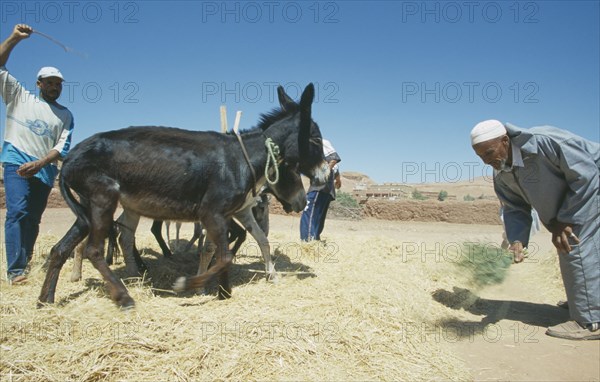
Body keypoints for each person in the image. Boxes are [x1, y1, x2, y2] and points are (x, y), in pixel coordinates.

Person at [470, 119, 599, 340]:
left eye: (489, 153)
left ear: (505, 140)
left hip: (590, 188)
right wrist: (517, 240)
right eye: (481, 157)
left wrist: (566, 220)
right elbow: (514, 208)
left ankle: (589, 321)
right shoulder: (502, 173)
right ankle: (586, 299)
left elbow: (586, 176)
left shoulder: (545, 143)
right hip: (578, 196)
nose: (486, 161)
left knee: (572, 242)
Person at [1, 24, 74, 285]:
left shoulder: (65, 115)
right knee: (17, 212)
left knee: (32, 219)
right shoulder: (19, 97)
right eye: (50, 82)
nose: (54, 87)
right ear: (39, 83)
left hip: (43, 171)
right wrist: (14, 39)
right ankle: (16, 271)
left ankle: (26, 260)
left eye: (58, 84)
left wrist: (41, 162)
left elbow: (61, 147)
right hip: (16, 165)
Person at [300, 139, 341, 241]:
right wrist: (338, 180)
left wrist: (321, 174)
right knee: (318, 216)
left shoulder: (319, 142)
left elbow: (334, 158)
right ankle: (315, 240)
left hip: (319, 187)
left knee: (308, 213)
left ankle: (308, 242)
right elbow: (335, 169)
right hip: (327, 189)